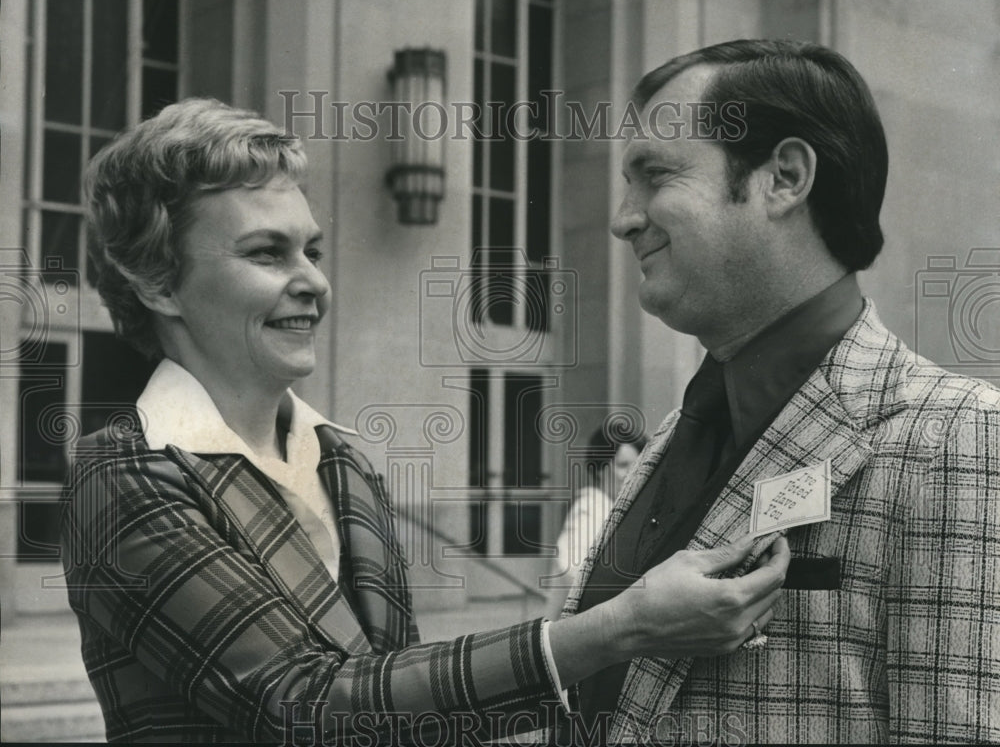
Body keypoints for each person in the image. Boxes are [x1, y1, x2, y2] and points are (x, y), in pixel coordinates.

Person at [60, 97, 790, 744]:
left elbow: (407, 709)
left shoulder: (339, 458)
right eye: (265, 252)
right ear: (158, 283)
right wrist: (618, 628)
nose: (313, 280)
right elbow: (303, 709)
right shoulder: (127, 473)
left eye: (311, 249)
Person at [562, 40, 1000, 744]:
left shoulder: (958, 437)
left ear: (784, 177)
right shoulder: (681, 428)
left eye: (654, 175)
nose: (622, 217)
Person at [547, 419, 648, 622]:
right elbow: (571, 569)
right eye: (622, 465)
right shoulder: (590, 508)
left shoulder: (619, 509)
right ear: (600, 469)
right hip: (578, 627)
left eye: (637, 466)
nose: (631, 474)